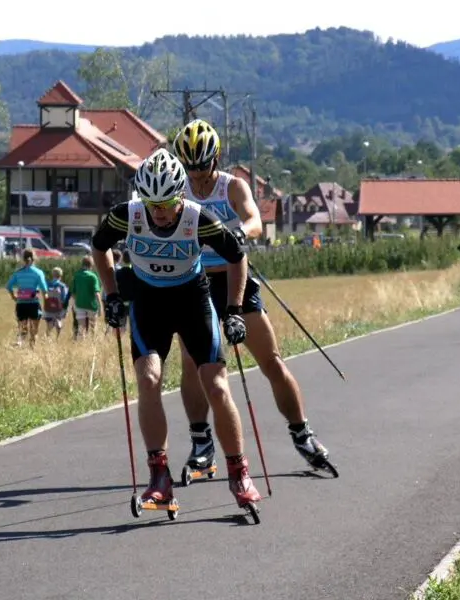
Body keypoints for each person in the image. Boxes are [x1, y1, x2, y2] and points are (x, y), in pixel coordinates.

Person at [90, 148, 262, 510]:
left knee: (215, 384)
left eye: (167, 203)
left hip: (192, 302)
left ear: (180, 195)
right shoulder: (127, 216)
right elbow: (99, 246)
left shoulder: (198, 219)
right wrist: (112, 295)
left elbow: (237, 256)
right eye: (152, 204)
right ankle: (160, 478)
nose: (160, 212)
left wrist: (232, 310)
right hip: (149, 304)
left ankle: (239, 473)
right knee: (149, 379)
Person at [171, 118, 334, 475]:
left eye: (202, 167)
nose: (197, 176)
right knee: (193, 367)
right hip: (194, 286)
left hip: (235, 280)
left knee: (271, 361)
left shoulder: (233, 186)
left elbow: (254, 220)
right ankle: (202, 443)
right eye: (190, 169)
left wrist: (238, 233)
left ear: (215, 160)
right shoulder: (179, 189)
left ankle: (302, 434)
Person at [5, 249, 48, 348]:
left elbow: (8, 286)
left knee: (23, 330)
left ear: (23, 259)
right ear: (34, 259)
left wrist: (13, 296)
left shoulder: (18, 273)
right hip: (34, 304)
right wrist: (45, 305)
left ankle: (19, 344)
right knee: (34, 331)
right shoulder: (38, 272)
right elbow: (44, 291)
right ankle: (32, 350)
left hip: (21, 304)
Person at [71, 255, 102, 339]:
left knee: (81, 328)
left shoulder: (77, 275)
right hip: (91, 305)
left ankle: (81, 346)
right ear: (91, 265)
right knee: (93, 327)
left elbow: (73, 293)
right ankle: (92, 345)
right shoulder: (93, 276)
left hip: (80, 305)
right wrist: (100, 307)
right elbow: (97, 293)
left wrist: (74, 304)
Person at [43, 266, 71, 339]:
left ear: (53, 274)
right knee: (58, 321)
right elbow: (64, 298)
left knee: (49, 325)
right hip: (58, 308)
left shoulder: (47, 284)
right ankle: (57, 338)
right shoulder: (62, 286)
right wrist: (66, 309)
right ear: (61, 275)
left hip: (48, 307)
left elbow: (44, 294)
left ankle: (47, 338)